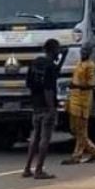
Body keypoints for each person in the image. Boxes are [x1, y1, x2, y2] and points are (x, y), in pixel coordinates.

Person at [23, 39, 60, 179]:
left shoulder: (34, 63)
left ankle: (27, 168)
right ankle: (39, 170)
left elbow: (28, 84)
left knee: (35, 137)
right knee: (45, 138)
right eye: (58, 50)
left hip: (36, 104)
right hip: (46, 106)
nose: (59, 53)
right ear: (53, 50)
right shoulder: (51, 67)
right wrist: (51, 108)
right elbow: (48, 89)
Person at [63, 43, 95, 165]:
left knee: (81, 129)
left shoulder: (90, 65)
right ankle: (94, 151)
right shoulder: (79, 63)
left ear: (90, 52)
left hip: (83, 101)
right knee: (75, 129)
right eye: (82, 50)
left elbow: (91, 84)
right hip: (74, 99)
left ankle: (78, 155)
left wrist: (77, 86)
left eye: (86, 50)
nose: (83, 52)